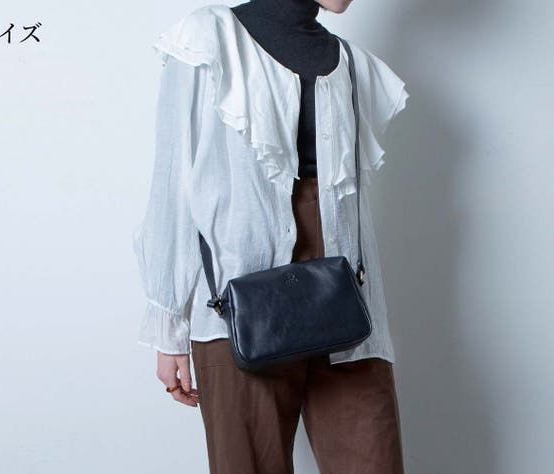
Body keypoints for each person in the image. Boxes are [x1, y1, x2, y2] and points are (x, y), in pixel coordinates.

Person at [132, 1, 409, 472]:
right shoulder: (209, 38)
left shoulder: (351, 63)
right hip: (236, 301)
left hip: (344, 299)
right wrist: (169, 326)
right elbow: (174, 184)